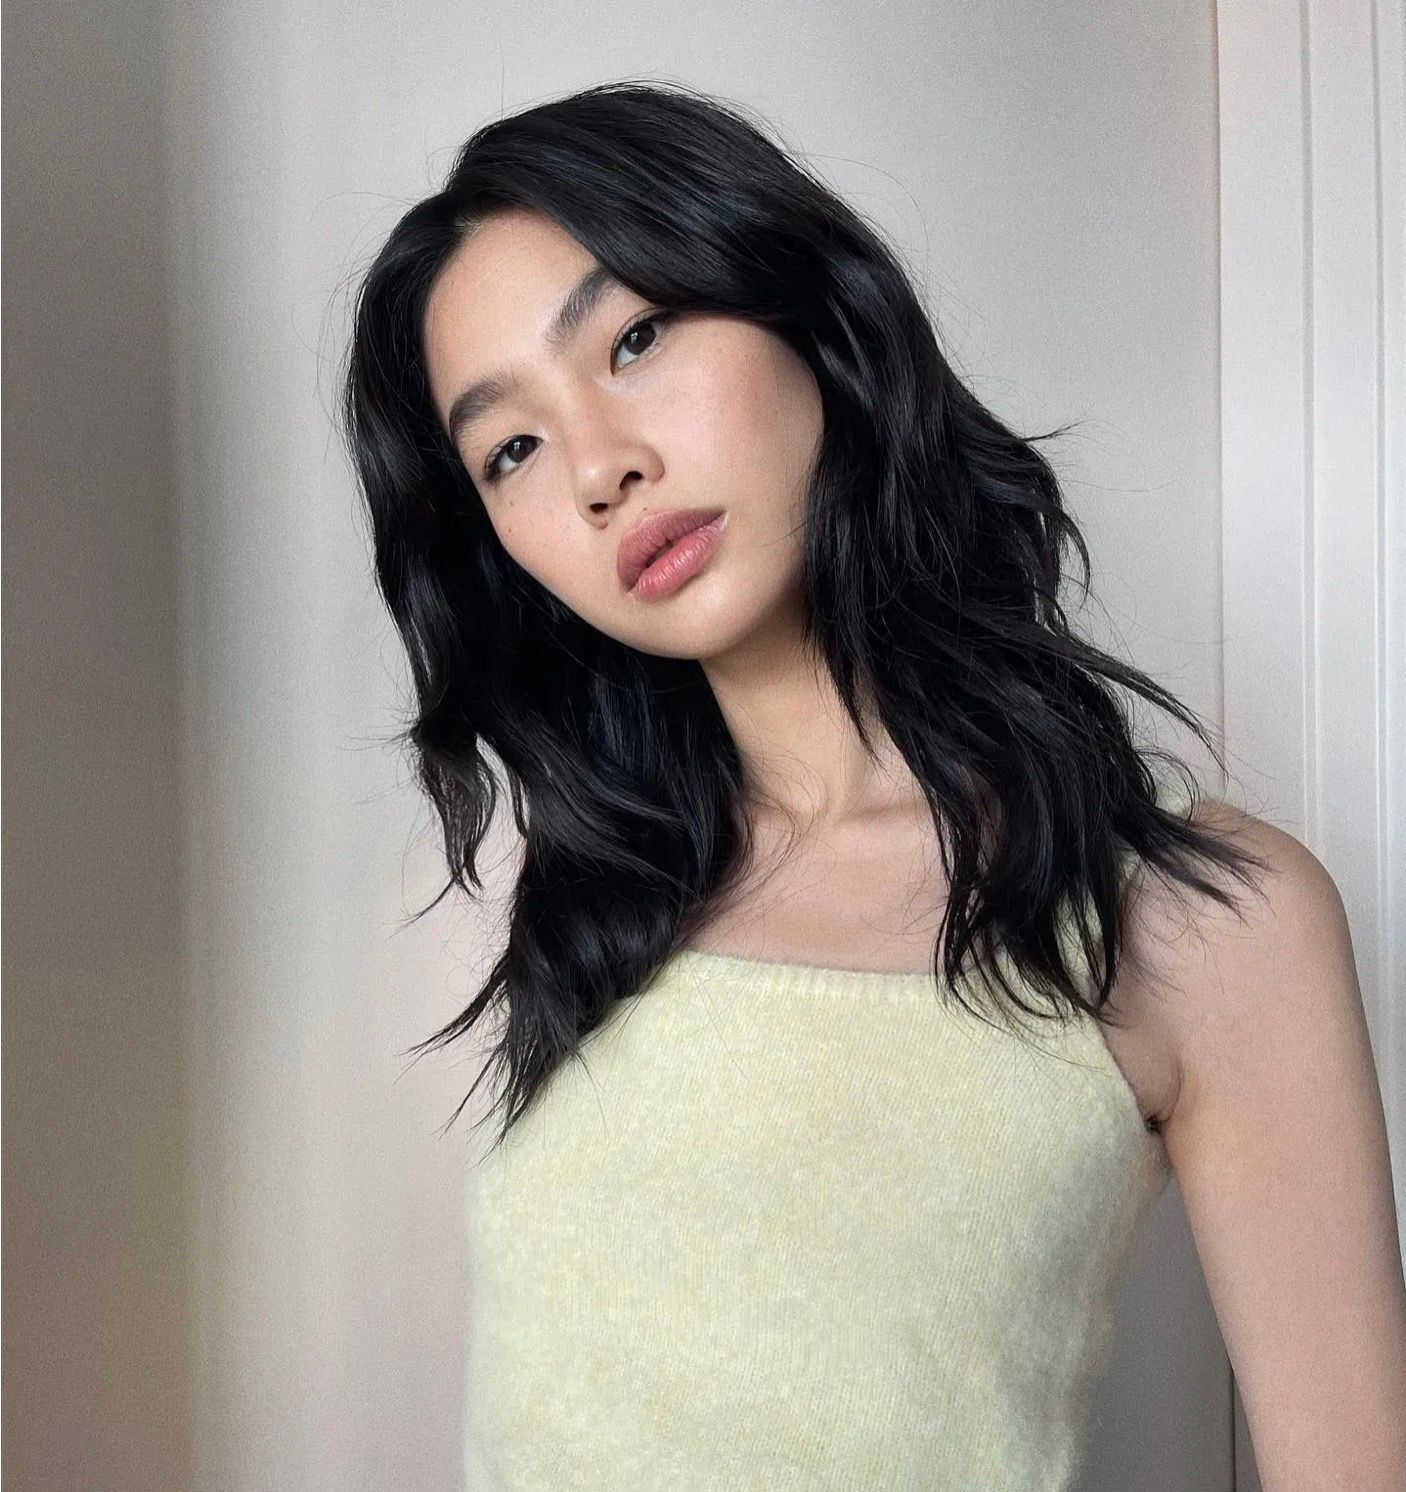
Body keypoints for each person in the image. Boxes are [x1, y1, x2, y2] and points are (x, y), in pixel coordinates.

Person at [337, 79, 1406, 1490]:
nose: (598, 468)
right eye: (511, 450)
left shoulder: (1196, 922)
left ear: (804, 311)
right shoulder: (582, 906)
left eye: (634, 338)